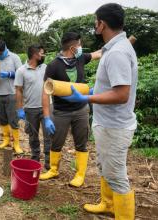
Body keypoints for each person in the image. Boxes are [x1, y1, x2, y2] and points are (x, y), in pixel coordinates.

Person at [63, 3, 138, 219]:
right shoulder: (114, 48)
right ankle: (108, 204)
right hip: (107, 123)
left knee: (116, 175)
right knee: (105, 167)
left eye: (96, 21)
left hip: (115, 126)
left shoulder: (118, 53)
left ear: (102, 24)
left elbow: (122, 94)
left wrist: (86, 97)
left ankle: (123, 213)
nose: (95, 25)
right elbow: (114, 85)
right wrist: (99, 90)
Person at [39, 32, 101, 188]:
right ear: (73, 47)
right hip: (61, 111)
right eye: (79, 45)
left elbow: (97, 53)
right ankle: (53, 170)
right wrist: (46, 117)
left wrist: (115, 47)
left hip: (81, 109)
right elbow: (45, 92)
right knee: (57, 141)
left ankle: (80, 175)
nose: (81, 48)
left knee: (81, 142)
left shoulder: (80, 58)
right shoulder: (54, 66)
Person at [14, 44, 51, 169]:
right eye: (41, 53)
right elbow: (18, 90)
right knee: (33, 135)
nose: (43, 55)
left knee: (48, 135)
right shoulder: (21, 71)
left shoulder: (46, 68)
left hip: (47, 107)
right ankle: (35, 159)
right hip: (30, 109)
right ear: (35, 54)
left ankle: (48, 161)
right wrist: (19, 109)